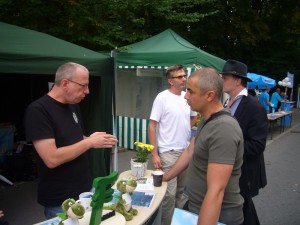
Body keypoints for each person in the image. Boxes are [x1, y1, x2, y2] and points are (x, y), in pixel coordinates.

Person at [24, 62, 118, 219]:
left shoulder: (73, 105)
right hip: (61, 201)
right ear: (65, 83)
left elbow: (74, 138)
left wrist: (92, 139)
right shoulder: (38, 110)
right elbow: (51, 158)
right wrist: (89, 143)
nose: (87, 91)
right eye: (83, 86)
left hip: (85, 191)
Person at [163, 67, 244, 225]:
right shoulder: (207, 119)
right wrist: (165, 177)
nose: (186, 96)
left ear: (209, 95)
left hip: (218, 215)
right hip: (196, 207)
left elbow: (216, 191)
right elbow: (190, 151)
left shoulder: (223, 128)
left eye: (190, 91)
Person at [148, 64, 197, 225]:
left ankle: (176, 222)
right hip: (167, 152)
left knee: (180, 193)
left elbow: (193, 117)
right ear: (170, 81)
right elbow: (152, 125)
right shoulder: (162, 97)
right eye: (180, 77)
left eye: (184, 76)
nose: (184, 79)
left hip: (185, 151)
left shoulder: (187, 97)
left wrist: (182, 130)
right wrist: (154, 154)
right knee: (168, 195)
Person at [221, 59, 268, 225]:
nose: (221, 81)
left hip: (245, 172)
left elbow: (257, 145)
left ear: (238, 80)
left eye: (225, 78)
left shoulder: (254, 107)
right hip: (229, 168)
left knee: (242, 209)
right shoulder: (226, 102)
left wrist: (227, 148)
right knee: (238, 209)